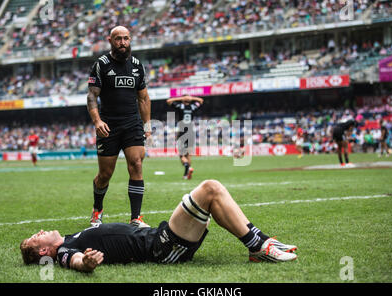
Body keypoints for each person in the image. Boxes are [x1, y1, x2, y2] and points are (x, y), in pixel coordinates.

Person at [20, 180, 298, 272]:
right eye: (37, 237)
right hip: (161, 248)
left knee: (211, 201)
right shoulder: (64, 251)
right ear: (44, 251)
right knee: (210, 189)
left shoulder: (70, 237)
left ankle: (258, 244)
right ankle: (259, 245)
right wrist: (87, 263)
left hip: (157, 238)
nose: (41, 231)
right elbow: (76, 261)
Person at [87, 26, 152, 227]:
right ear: (110, 40)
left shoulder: (137, 65)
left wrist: (147, 125)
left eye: (125, 39)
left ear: (130, 39)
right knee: (105, 175)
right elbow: (92, 97)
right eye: (118, 39)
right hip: (109, 125)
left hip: (132, 123)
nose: (122, 43)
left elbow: (143, 98)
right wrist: (97, 121)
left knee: (136, 164)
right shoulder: (101, 65)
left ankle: (136, 218)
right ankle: (97, 210)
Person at [166, 95, 204, 179]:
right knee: (188, 155)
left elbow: (168, 101)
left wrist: (180, 98)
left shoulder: (180, 106)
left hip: (182, 132)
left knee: (182, 155)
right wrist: (191, 98)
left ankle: (186, 165)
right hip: (191, 132)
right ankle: (187, 174)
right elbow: (201, 100)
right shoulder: (193, 107)